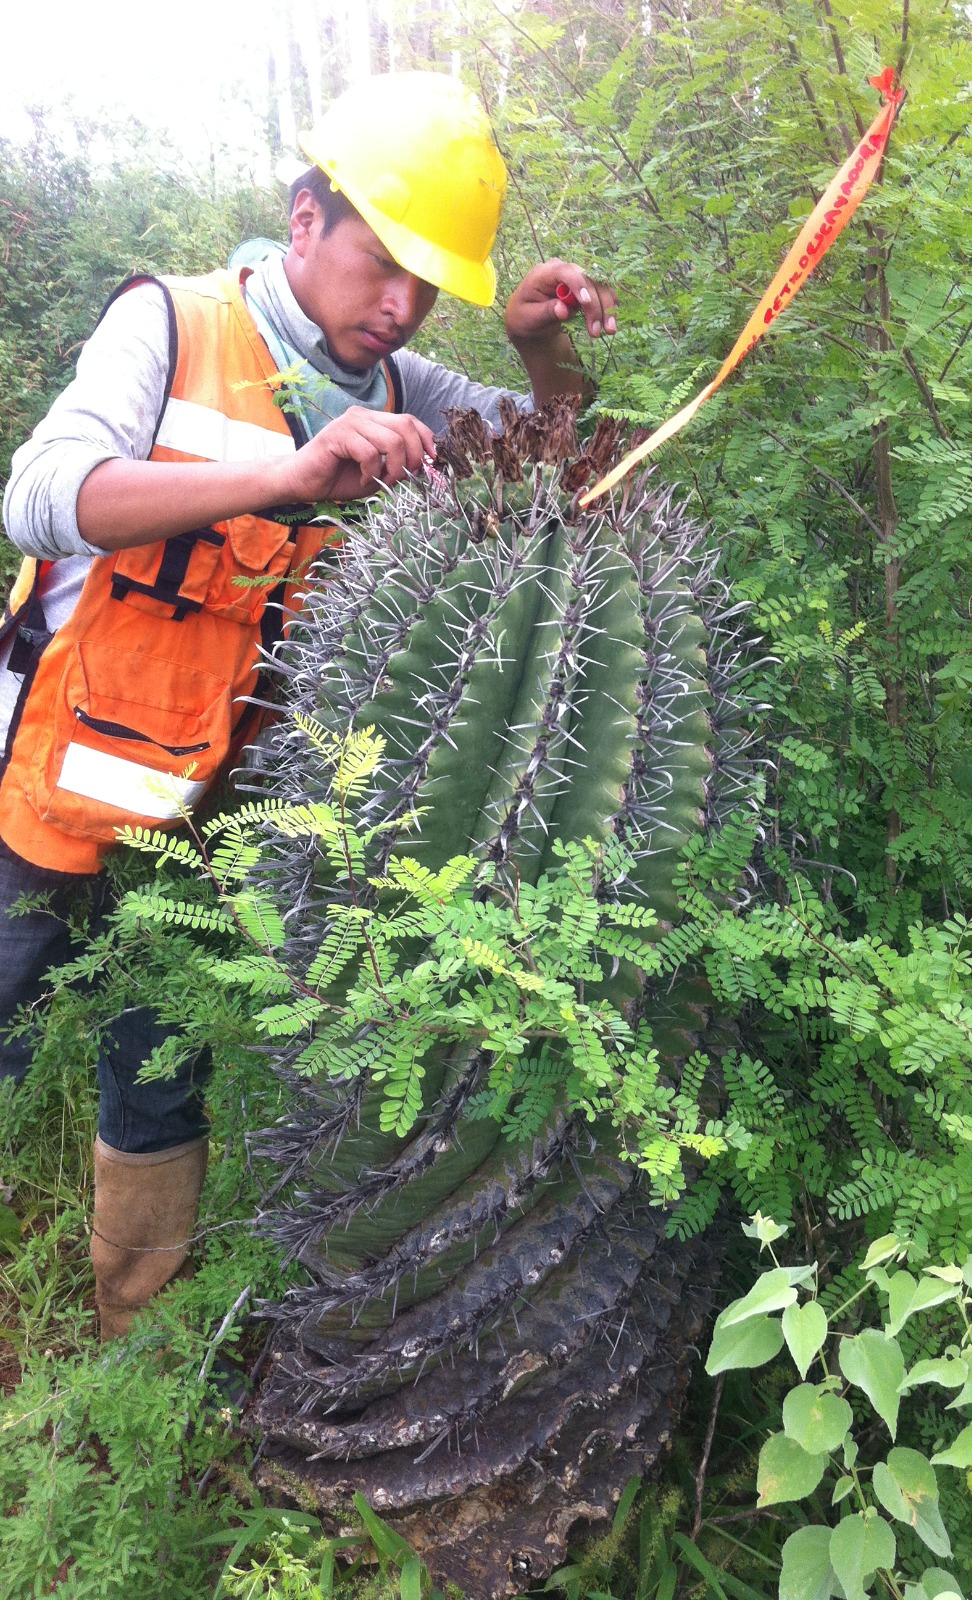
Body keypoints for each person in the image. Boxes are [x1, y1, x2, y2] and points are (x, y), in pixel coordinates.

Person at [0, 71, 618, 1339]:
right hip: (58, 776)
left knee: (159, 1073)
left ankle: (133, 1341)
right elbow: (38, 493)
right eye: (380, 260)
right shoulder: (167, 324)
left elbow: (557, 451)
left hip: (208, 812)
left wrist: (536, 344)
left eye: (426, 281)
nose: (398, 304)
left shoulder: (409, 391)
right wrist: (282, 472)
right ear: (303, 220)